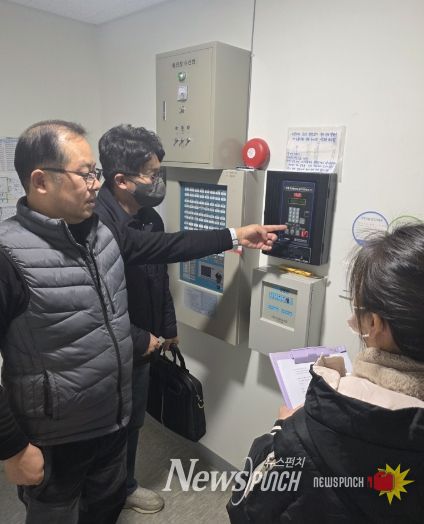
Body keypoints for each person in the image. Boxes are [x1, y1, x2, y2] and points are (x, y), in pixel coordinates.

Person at [0, 119, 284, 524]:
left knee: (104, 509)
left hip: (112, 420)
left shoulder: (100, 234)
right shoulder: (8, 256)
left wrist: (236, 235)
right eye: (85, 174)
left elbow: (167, 247)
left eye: (95, 172)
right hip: (56, 436)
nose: (95, 184)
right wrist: (12, 448)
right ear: (41, 181)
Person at [227, 224, 424, 524]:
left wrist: (279, 430)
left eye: (358, 308)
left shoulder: (311, 427)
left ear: (374, 323)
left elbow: (244, 510)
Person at [95, 124, 177, 514]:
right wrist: (138, 336)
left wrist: (167, 328)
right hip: (105, 350)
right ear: (122, 180)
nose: (158, 182)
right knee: (102, 426)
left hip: (143, 346)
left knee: (132, 422)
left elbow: (160, 278)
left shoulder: (150, 220)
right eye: (152, 174)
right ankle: (98, 496)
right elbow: (94, 305)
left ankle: (125, 486)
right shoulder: (92, 226)